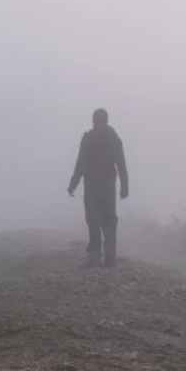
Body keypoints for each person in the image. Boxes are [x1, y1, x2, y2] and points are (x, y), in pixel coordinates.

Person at [67, 108, 129, 266]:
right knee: (104, 220)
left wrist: (73, 184)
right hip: (104, 187)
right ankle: (107, 256)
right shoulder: (110, 139)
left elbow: (80, 164)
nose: (99, 123)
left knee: (96, 219)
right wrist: (124, 186)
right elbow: (121, 164)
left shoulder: (92, 139)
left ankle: (98, 253)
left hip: (96, 187)